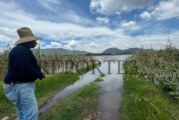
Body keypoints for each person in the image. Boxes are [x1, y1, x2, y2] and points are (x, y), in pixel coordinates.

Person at [3, 27, 45, 120]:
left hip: (18, 86)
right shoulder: (22, 51)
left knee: (23, 112)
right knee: (31, 114)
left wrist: (38, 71)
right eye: (34, 40)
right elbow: (26, 70)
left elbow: (25, 67)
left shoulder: (20, 50)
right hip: (22, 87)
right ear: (28, 41)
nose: (36, 42)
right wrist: (40, 74)